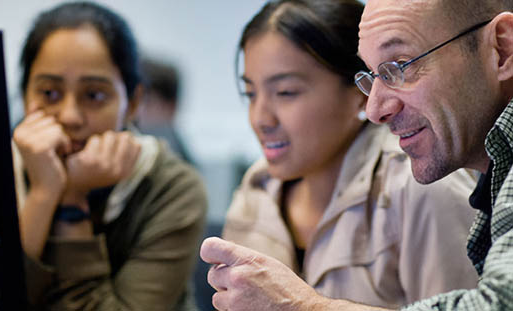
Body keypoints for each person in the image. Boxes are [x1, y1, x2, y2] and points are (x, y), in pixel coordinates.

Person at [200, 0, 513, 310]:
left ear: (503, 48)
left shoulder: (421, 185)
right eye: (250, 95)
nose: (375, 108)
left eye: (400, 66)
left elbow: (496, 304)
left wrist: (301, 306)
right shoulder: (256, 188)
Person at [12, 2, 207, 310]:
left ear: (132, 103)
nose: (70, 116)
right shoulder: (5, 167)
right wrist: (43, 193)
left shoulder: (171, 187)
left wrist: (72, 203)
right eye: (49, 93)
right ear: (24, 97)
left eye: (94, 95)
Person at [134, 57, 194, 164]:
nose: (137, 112)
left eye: (147, 102)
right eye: (135, 100)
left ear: (171, 107)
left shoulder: (171, 159)